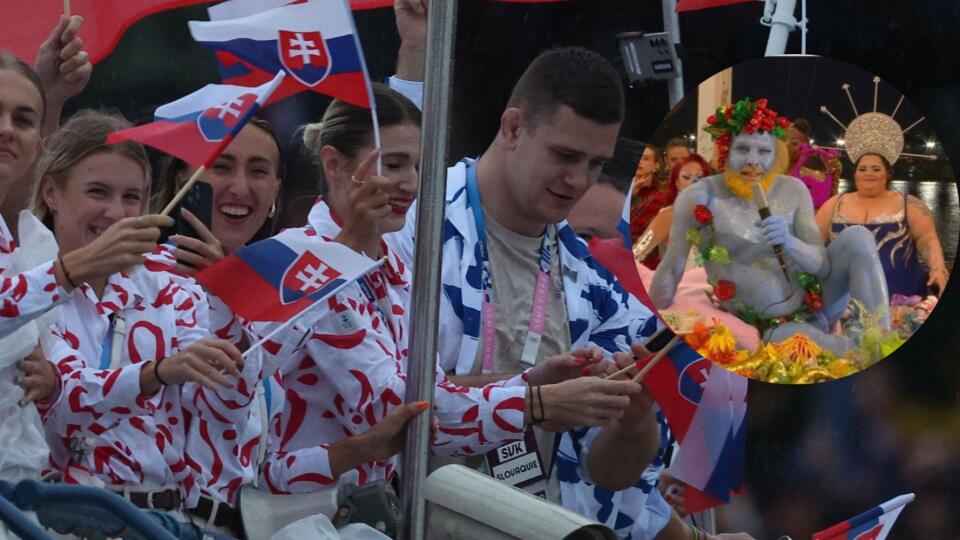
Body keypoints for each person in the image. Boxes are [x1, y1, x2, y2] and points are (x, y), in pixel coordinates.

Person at [389, 46, 754, 540]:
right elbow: (388, 401)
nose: (577, 180)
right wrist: (536, 398)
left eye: (595, 164)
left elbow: (612, 477)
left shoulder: (593, 282)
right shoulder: (413, 228)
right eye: (564, 156)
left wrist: (634, 413)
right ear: (514, 128)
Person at [19, 110, 247, 538]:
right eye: (98, 192)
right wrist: (157, 374)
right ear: (51, 191)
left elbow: (219, 409)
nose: (115, 213)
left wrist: (232, 323)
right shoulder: (32, 286)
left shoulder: (173, 289)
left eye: (132, 198)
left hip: (168, 523)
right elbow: (65, 406)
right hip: (64, 522)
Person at [649, 97, 890, 354]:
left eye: (763, 151)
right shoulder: (699, 197)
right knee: (846, 353)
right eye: (742, 149)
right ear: (725, 151)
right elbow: (672, 266)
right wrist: (649, 319)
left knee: (858, 236)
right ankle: (864, 355)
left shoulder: (793, 190)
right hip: (771, 325)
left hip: (817, 300)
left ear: (776, 156)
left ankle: (880, 338)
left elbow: (823, 264)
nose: (753, 160)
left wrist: (790, 241)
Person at [815, 152, 948, 298]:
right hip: (841, 299)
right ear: (855, 174)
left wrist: (938, 269)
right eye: (862, 169)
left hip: (902, 299)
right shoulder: (834, 204)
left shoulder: (909, 204)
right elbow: (814, 243)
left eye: (876, 169)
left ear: (888, 174)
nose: (869, 174)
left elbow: (927, 240)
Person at [633, 154, 713, 267]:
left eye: (700, 177)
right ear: (677, 183)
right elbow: (635, 256)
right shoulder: (669, 216)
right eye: (686, 177)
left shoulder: (715, 215)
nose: (694, 183)